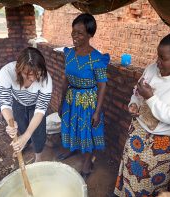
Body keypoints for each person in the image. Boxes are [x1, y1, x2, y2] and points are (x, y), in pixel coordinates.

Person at [114, 31, 170, 196]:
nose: (158, 62)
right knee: (128, 170)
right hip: (137, 132)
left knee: (148, 181)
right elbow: (137, 91)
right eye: (158, 56)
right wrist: (133, 104)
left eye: (163, 58)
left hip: (161, 142)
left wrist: (151, 98)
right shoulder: (152, 69)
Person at [58, 13, 110, 180]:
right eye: (73, 32)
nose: (75, 36)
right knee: (72, 127)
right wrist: (61, 101)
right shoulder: (69, 54)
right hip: (71, 99)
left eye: (80, 33)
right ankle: (73, 148)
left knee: (87, 131)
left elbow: (102, 85)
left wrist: (97, 111)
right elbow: (65, 79)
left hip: (88, 102)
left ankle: (87, 163)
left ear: (90, 34)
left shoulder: (97, 59)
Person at [0, 47, 52, 162]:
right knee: (21, 126)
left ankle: (38, 157)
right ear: (19, 70)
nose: (33, 78)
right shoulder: (6, 72)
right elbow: (5, 101)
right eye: (28, 74)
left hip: (36, 104)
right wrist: (10, 122)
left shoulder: (46, 79)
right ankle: (24, 143)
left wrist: (27, 135)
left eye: (37, 73)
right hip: (18, 102)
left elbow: (40, 109)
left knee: (37, 131)